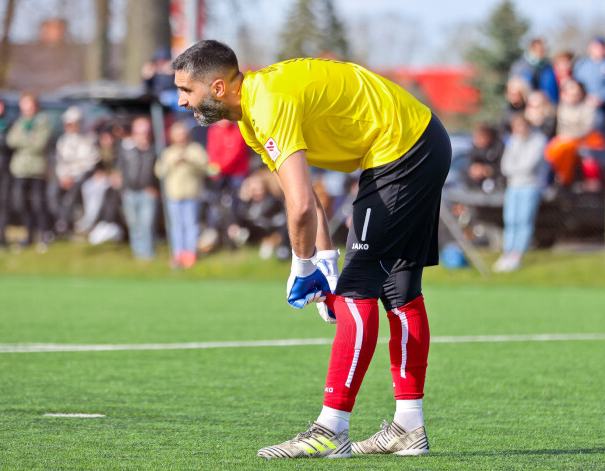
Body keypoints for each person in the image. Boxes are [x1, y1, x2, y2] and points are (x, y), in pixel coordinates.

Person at [172, 40, 451, 459]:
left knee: (358, 289)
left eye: (185, 90)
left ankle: (331, 430)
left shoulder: (267, 104)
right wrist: (323, 259)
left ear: (216, 88)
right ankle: (408, 428)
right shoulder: (251, 116)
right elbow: (304, 195)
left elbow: (301, 206)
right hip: (419, 141)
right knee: (399, 288)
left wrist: (301, 267)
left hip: (403, 149)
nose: (180, 101)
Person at [493, 114, 548, 273]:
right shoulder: (513, 141)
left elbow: (528, 165)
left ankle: (517, 255)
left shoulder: (538, 140)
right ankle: (507, 253)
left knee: (524, 221)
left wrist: (515, 169)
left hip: (530, 186)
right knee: (510, 220)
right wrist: (515, 168)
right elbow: (505, 166)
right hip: (513, 186)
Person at [155, 121, 207, 268]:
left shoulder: (195, 150)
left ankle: (190, 254)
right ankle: (178, 253)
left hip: (191, 194)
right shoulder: (168, 152)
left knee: (191, 225)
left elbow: (206, 168)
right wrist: (172, 162)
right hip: (174, 195)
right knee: (177, 226)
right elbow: (159, 171)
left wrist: (189, 162)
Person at [6, 92, 53, 251]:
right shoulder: (19, 122)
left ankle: (43, 235)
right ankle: (28, 235)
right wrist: (28, 139)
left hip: (36, 170)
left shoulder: (42, 121)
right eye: (24, 104)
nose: (26, 108)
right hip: (20, 169)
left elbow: (39, 143)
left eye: (29, 104)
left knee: (38, 204)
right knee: (22, 203)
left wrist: (24, 141)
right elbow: (11, 140)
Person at [201, 119, 250, 252]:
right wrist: (214, 170)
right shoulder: (214, 130)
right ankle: (213, 232)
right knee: (214, 202)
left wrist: (219, 167)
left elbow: (236, 152)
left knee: (235, 203)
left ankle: (236, 230)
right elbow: (212, 151)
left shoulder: (238, 129)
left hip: (236, 173)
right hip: (219, 174)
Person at [544, 80, 605, 187]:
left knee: (565, 148)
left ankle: (564, 178)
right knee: (552, 150)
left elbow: (586, 129)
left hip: (584, 140)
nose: (573, 97)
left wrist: (569, 137)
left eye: (576, 94)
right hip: (566, 139)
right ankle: (559, 177)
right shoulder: (562, 108)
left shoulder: (587, 107)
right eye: (570, 94)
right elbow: (562, 128)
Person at [51, 106, 100, 236]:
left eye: (73, 124)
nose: (70, 127)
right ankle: (60, 222)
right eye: (68, 124)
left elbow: (88, 163)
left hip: (81, 176)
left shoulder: (88, 139)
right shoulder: (63, 140)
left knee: (71, 196)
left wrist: (73, 176)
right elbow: (60, 161)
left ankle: (65, 224)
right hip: (65, 176)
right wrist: (63, 176)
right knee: (53, 193)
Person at [116, 116, 158, 260]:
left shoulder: (154, 150)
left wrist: (154, 188)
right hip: (130, 193)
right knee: (134, 225)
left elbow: (158, 172)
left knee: (146, 224)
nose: (143, 135)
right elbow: (120, 170)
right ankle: (137, 254)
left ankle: (147, 255)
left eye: (145, 132)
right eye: (139, 132)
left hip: (147, 193)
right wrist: (123, 188)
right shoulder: (126, 149)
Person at [573, 37, 605, 131]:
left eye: (602, 47)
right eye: (596, 47)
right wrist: (587, 96)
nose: (599, 50)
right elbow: (577, 84)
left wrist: (601, 97)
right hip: (587, 100)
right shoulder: (582, 65)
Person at [509, 38, 559, 104]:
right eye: (539, 50)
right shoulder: (520, 67)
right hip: (527, 105)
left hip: (547, 105)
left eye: (543, 50)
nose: (541, 52)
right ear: (531, 49)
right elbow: (514, 88)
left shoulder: (548, 67)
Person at [465, 123, 505, 193]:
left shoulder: (498, 147)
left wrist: (488, 170)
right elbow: (469, 167)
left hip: (498, 190)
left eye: (479, 137)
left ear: (488, 136)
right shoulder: (475, 149)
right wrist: (474, 171)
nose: (476, 140)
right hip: (476, 190)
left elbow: (504, 168)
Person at [0, 98, 11, 248]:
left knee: (3, 204)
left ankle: (2, 237)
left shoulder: (9, 124)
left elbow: (13, 143)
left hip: (4, 171)